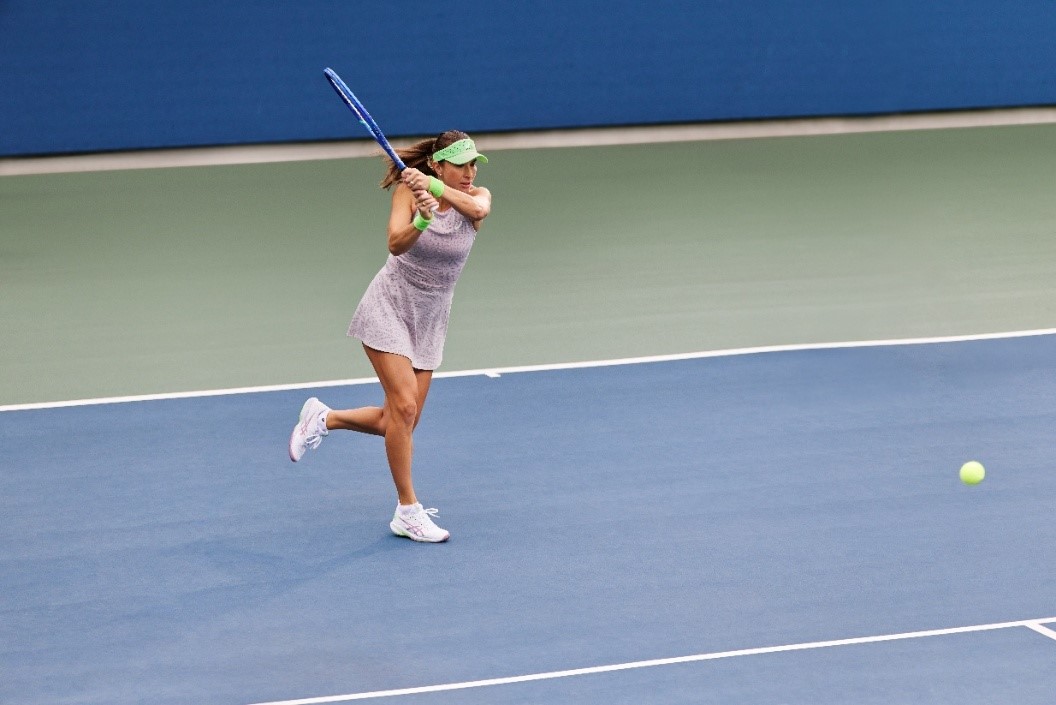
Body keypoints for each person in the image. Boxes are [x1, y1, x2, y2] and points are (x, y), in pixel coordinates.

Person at [288, 131, 492, 543]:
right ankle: (407, 511)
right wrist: (422, 218)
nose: (470, 172)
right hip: (390, 306)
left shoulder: (476, 197)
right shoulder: (407, 192)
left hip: (431, 319)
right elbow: (396, 244)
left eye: (474, 164)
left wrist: (434, 188)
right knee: (404, 406)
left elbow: (477, 208)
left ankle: (324, 418)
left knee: (400, 421)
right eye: (461, 164)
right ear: (438, 164)